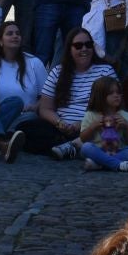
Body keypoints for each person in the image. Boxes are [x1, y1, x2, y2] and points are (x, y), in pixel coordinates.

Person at [36, 27, 118, 160]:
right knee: (28, 127)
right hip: (61, 127)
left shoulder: (105, 71)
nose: (84, 49)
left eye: (88, 45)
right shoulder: (57, 71)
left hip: (91, 126)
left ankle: (69, 147)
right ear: (69, 49)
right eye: (78, 46)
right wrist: (59, 122)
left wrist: (82, 124)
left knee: (106, 129)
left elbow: (113, 107)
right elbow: (45, 108)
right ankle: (74, 148)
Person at [0, 18, 49, 147]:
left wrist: (35, 106)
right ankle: (4, 138)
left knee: (30, 122)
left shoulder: (34, 62)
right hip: (0, 114)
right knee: (12, 105)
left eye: (17, 33)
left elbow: (47, 96)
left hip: (27, 117)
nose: (15, 36)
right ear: (0, 41)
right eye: (10, 33)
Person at [77, 75, 128, 172]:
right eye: (111, 93)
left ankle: (99, 164)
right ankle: (119, 165)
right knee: (86, 148)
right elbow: (83, 138)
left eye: (118, 92)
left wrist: (126, 126)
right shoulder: (90, 115)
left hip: (118, 150)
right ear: (100, 96)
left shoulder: (125, 115)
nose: (116, 95)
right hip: (98, 150)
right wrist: (92, 127)